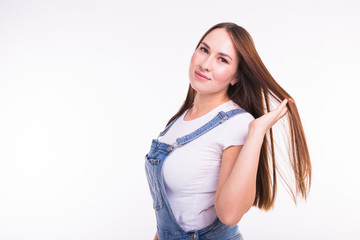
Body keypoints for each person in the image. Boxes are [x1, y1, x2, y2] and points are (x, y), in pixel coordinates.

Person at [144, 22, 312, 240]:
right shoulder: (178, 120)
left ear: (235, 77)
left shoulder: (236, 123)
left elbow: (229, 214)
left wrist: (256, 132)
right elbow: (171, 212)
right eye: (204, 49)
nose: (206, 64)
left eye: (222, 59)